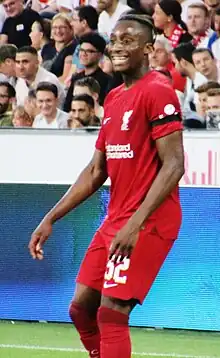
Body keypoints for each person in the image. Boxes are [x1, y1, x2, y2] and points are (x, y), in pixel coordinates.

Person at [28, 13, 184, 358]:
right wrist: (51, 217)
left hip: (150, 219)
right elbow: (97, 170)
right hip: (116, 219)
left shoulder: (159, 91)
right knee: (81, 309)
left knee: (111, 312)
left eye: (128, 41)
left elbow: (175, 165)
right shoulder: (113, 98)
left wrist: (136, 223)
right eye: (115, 40)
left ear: (148, 49)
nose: (117, 47)